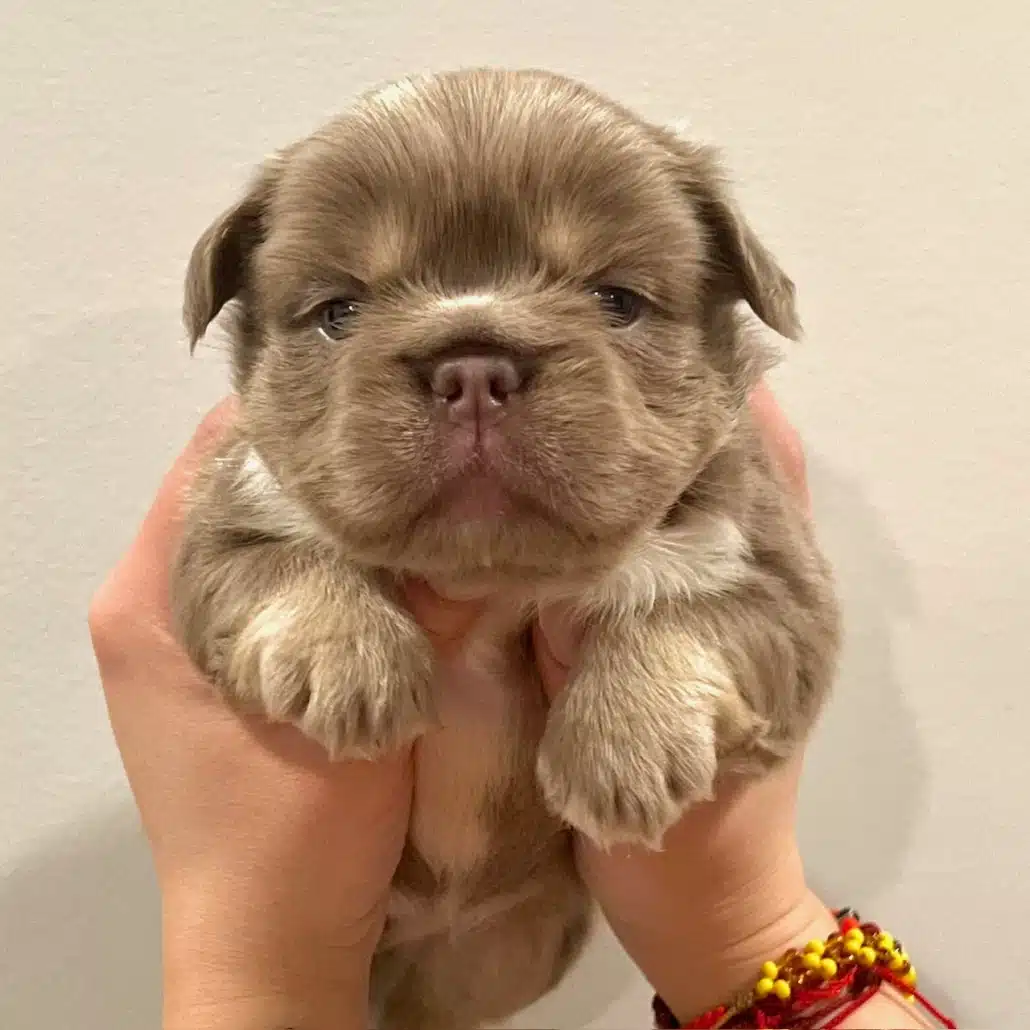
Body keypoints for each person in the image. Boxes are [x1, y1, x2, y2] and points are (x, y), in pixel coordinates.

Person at [89, 385, 941, 1030]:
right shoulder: (275, 469)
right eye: (345, 308)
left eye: (615, 299)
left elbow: (774, 603)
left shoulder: (708, 478)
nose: (478, 384)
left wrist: (739, 919)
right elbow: (230, 549)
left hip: (521, 930)